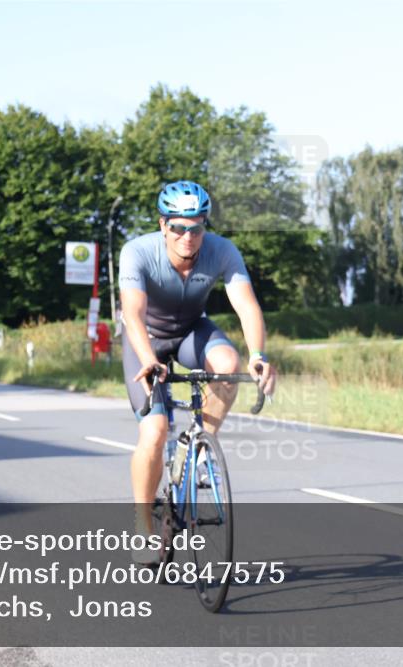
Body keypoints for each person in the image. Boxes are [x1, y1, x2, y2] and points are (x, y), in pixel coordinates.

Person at [117, 180, 276, 564]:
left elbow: (247, 306)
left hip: (191, 331)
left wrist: (258, 355)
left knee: (229, 365)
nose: (188, 237)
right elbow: (133, 314)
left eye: (197, 228)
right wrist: (149, 359)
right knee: (154, 432)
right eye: (178, 227)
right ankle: (142, 525)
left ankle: (199, 448)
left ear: (205, 225)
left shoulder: (222, 250)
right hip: (145, 340)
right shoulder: (137, 252)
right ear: (163, 225)